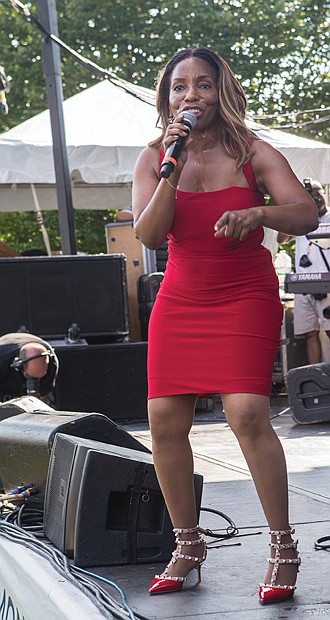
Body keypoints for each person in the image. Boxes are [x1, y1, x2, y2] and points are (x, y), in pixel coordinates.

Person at [132, 47, 317, 604]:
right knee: (163, 419)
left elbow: (306, 212)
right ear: (167, 97)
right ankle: (188, 544)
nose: (192, 95)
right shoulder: (153, 158)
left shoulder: (254, 151)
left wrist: (260, 213)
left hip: (243, 294)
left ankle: (283, 546)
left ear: (222, 92)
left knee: (246, 412)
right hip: (182, 296)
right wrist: (172, 165)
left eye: (204, 85)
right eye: (180, 86)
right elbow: (148, 235)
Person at [293, 180, 330, 364]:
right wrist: (296, 210)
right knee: (310, 333)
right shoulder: (301, 219)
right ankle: (316, 377)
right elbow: (282, 238)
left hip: (326, 284)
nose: (316, 198)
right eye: (311, 195)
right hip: (303, 284)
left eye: (318, 194)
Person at [0, 332, 59, 404]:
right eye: (31, 377)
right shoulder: (2, 359)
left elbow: (43, 396)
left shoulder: (52, 363)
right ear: (19, 365)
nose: (34, 381)